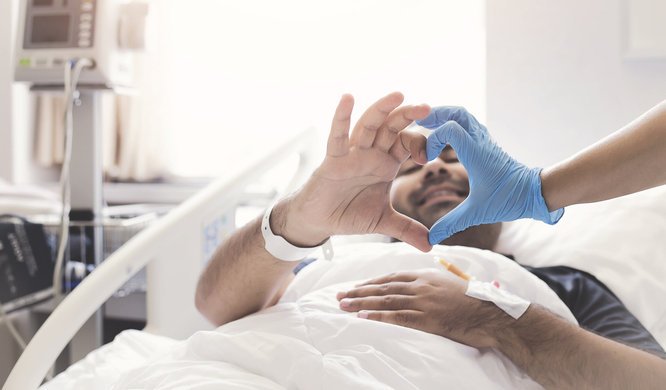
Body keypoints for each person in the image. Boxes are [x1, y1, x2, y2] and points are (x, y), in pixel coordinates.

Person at [195, 92, 666, 389]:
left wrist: (496, 319)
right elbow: (216, 307)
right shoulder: (322, 266)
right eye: (414, 166)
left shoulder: (561, 286)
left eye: (453, 159)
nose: (437, 166)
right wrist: (299, 216)